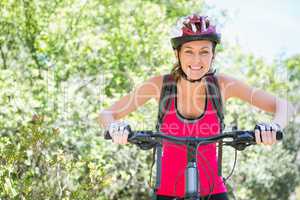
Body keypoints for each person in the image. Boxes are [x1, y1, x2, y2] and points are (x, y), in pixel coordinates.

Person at [97, 14, 294, 200]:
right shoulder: (159, 86)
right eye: (189, 52)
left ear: (213, 55)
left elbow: (284, 105)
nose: (196, 60)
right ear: (178, 54)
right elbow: (108, 114)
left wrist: (274, 127)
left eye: (204, 52)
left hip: (212, 191)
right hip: (167, 192)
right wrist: (115, 128)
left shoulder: (223, 86)